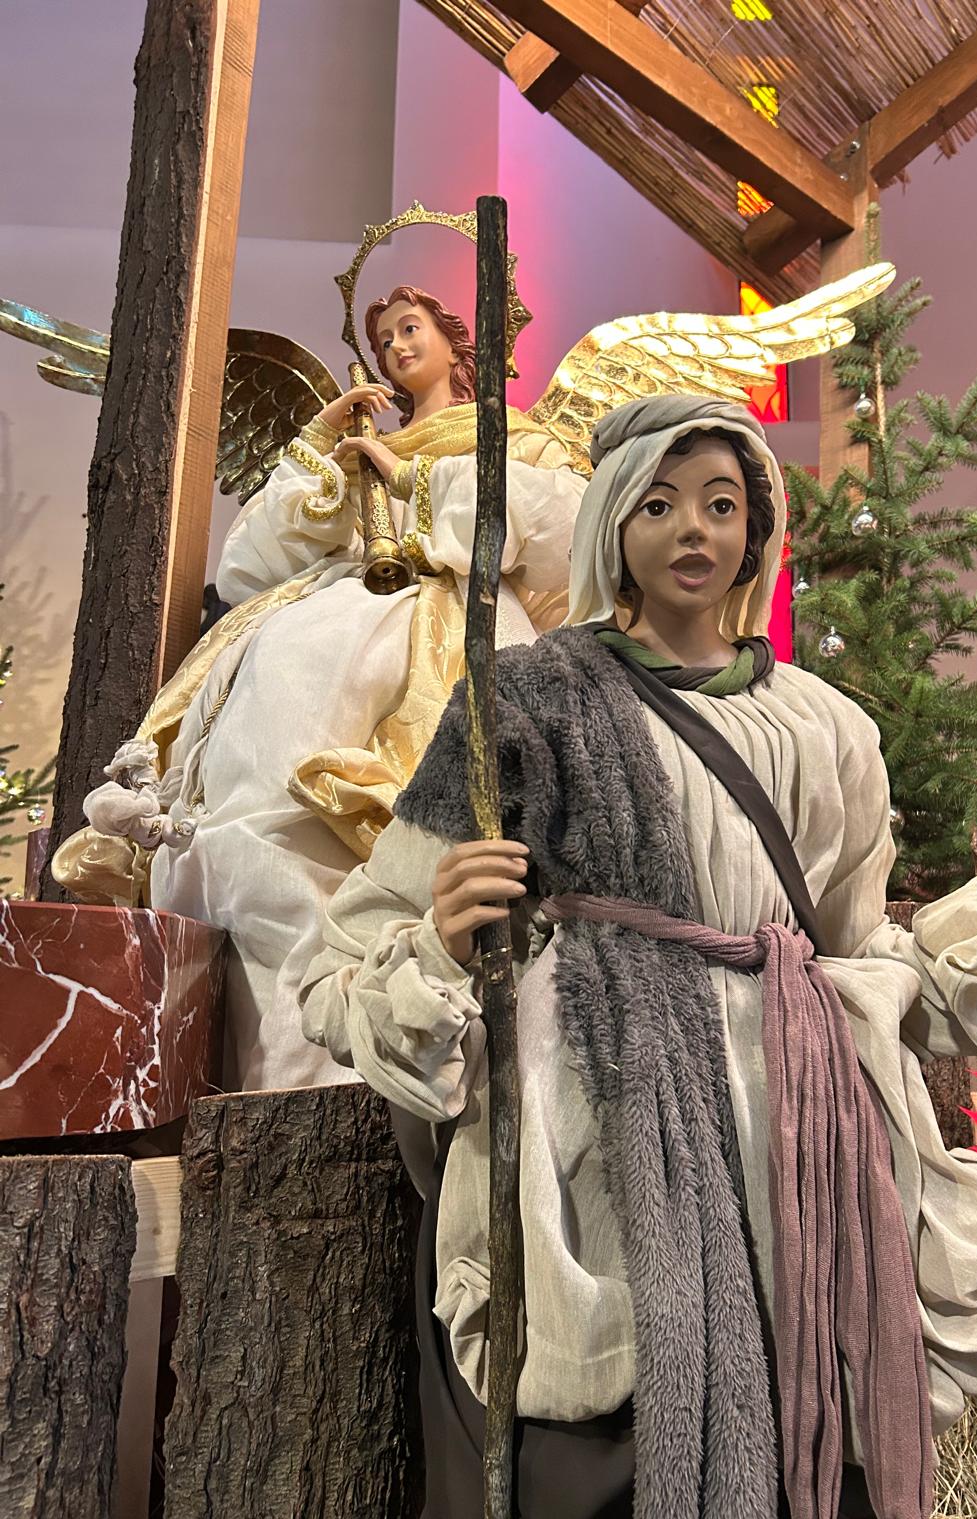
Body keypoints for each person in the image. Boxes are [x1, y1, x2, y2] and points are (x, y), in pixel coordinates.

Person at [300, 394, 977, 1519]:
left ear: (758, 529)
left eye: (721, 503)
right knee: (605, 1428)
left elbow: (857, 948)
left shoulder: (826, 727)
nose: (693, 530)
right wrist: (445, 938)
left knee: (809, 1391)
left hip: (795, 1128)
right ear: (615, 521)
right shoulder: (525, 700)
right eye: (659, 503)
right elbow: (353, 948)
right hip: (608, 1111)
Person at [57, 286, 587, 1091]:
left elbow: (574, 535)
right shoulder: (359, 440)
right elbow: (247, 570)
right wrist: (320, 453)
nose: (396, 347)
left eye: (410, 328)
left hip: (441, 622)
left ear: (456, 342)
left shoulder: (515, 437)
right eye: (383, 338)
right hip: (313, 616)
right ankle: (232, 1062)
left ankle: (343, 1050)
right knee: (231, 818)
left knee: (351, 828)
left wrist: (417, 480)